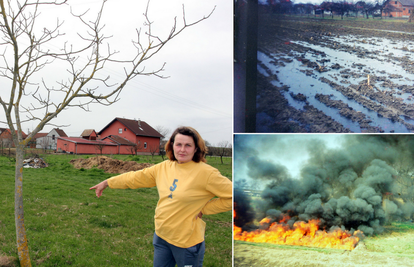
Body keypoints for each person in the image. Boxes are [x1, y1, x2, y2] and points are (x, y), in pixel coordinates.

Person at [89, 126, 232, 267]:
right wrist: (108, 182)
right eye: (179, 144)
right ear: (172, 146)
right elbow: (136, 178)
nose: (182, 149)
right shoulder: (164, 167)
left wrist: (205, 209)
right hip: (161, 236)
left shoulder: (207, 173)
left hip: (186, 242)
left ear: (196, 149)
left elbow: (237, 196)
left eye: (188, 145)